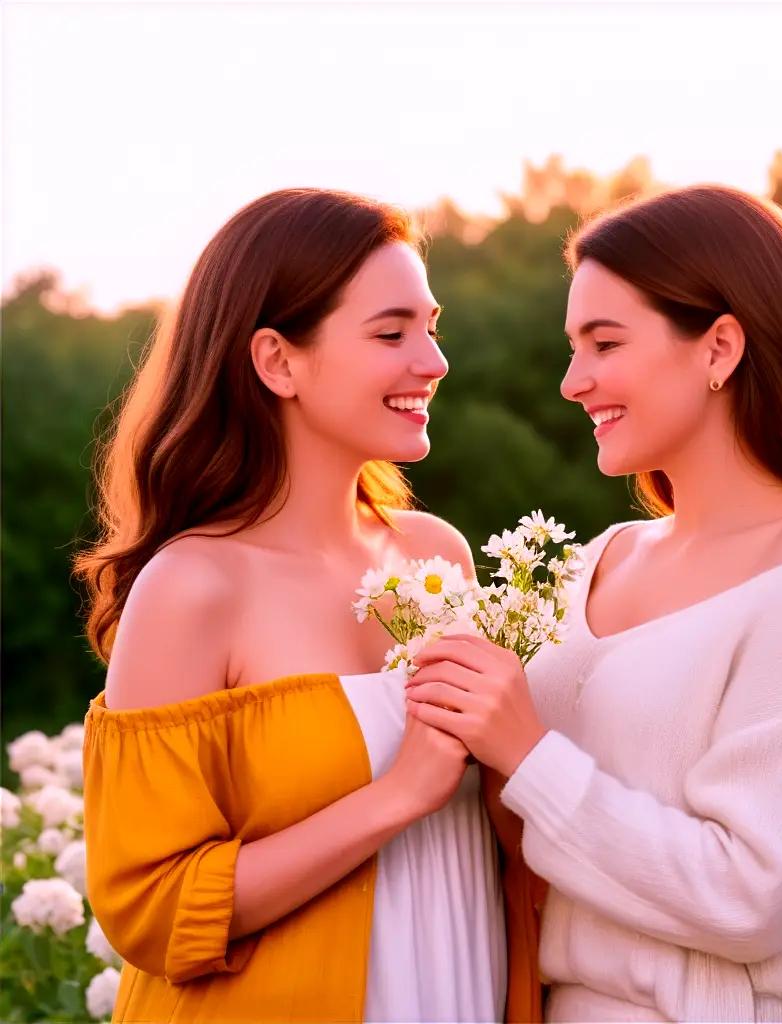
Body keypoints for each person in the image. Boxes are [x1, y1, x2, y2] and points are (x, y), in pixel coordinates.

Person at [405, 184, 782, 1022]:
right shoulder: (599, 562)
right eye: (573, 347)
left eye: (604, 343)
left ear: (718, 347)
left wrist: (526, 753)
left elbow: (754, 897)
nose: (573, 382)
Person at [74, 188, 538, 1023]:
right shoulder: (193, 587)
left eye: (432, 327)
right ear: (277, 361)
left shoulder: (436, 558)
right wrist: (398, 795)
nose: (432, 361)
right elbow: (152, 907)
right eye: (392, 333)